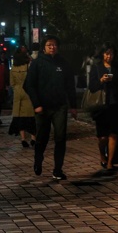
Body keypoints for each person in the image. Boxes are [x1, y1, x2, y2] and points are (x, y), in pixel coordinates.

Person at [23, 35, 77, 180]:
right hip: (43, 107)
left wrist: (73, 106)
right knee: (42, 137)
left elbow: (70, 86)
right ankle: (38, 161)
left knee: (60, 138)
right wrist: (37, 104)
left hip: (60, 106)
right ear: (44, 47)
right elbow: (28, 85)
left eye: (54, 45)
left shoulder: (64, 64)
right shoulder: (37, 63)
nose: (52, 47)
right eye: (49, 45)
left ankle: (58, 169)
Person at [88, 45, 118, 175]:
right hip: (101, 106)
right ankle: (102, 155)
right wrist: (101, 80)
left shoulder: (117, 68)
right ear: (103, 54)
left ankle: (110, 162)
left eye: (111, 54)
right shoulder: (96, 67)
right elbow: (91, 87)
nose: (109, 56)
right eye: (106, 54)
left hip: (114, 104)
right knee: (103, 137)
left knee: (113, 134)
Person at [7, 48, 36, 148]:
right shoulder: (28, 66)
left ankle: (23, 139)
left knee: (20, 118)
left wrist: (16, 89)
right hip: (28, 92)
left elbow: (11, 83)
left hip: (18, 93)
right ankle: (33, 138)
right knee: (31, 117)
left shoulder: (13, 68)